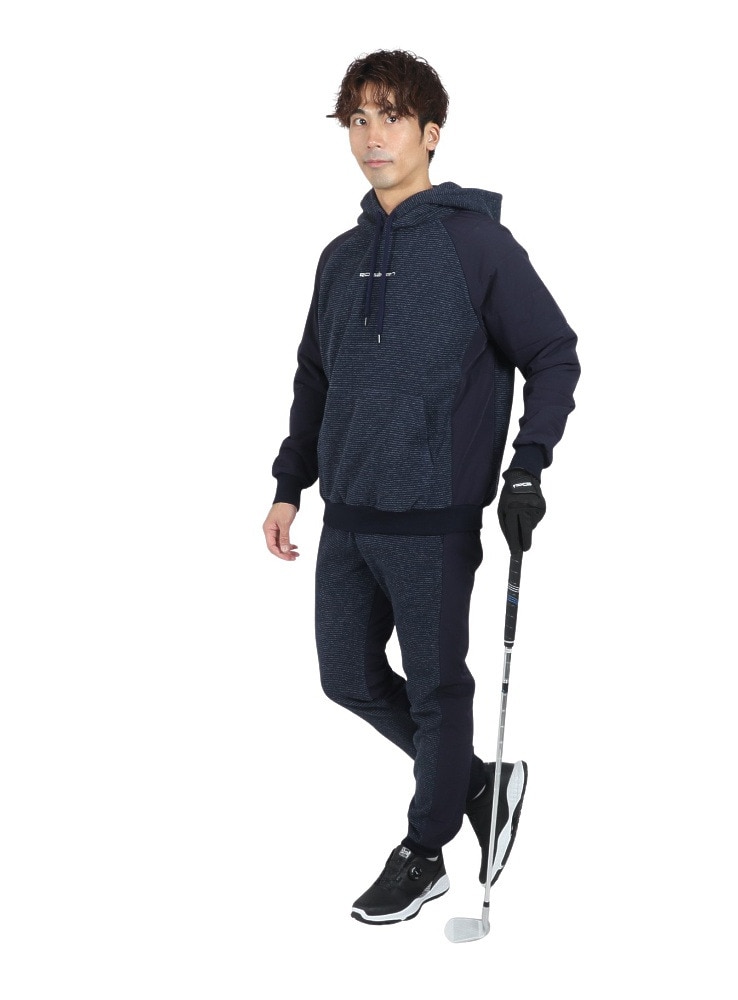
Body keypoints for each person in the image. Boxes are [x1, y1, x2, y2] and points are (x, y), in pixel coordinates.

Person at [263, 49, 580, 925]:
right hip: (347, 512)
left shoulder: (478, 245)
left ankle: (426, 849)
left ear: (431, 133)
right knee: (348, 677)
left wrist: (528, 465)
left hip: (433, 514)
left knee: (438, 690)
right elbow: (315, 377)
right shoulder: (339, 257)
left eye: (392, 117)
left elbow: (553, 352)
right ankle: (477, 785)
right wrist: (291, 483)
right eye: (358, 120)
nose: (374, 137)